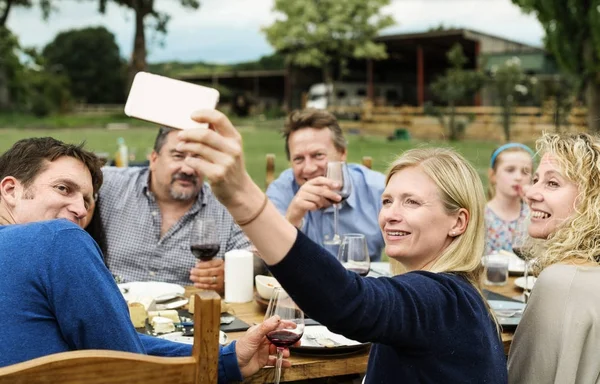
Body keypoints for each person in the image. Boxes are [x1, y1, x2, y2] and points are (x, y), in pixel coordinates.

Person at [176, 110, 507, 383]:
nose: (391, 215)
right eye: (388, 201)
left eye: (411, 202)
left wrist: (242, 198)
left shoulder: (443, 299)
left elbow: (348, 301)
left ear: (458, 222)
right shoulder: (458, 296)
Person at [0, 137, 290, 381]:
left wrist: (226, 359)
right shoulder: (58, 238)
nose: (80, 209)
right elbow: (127, 366)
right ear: (11, 189)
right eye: (64, 188)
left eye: (88, 201)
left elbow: (112, 341)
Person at [98, 126, 253, 293]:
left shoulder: (225, 207)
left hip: (190, 315)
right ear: (154, 159)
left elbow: (257, 259)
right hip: (113, 309)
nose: (188, 169)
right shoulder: (110, 185)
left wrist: (229, 276)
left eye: (198, 159)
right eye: (178, 156)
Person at [507, 133, 600, 383]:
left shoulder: (564, 280)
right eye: (535, 180)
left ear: (593, 199)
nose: (530, 193)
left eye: (552, 183)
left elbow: (523, 377)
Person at [266, 108, 386, 260]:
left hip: (365, 282)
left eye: (318, 155)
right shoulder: (280, 192)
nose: (309, 168)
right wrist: (292, 219)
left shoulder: (378, 190)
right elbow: (265, 258)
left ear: (342, 153)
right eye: (298, 159)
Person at [484, 143, 534, 255]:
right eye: (510, 170)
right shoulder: (481, 216)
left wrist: (533, 205)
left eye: (525, 172)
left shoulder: (534, 215)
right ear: (493, 175)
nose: (518, 177)